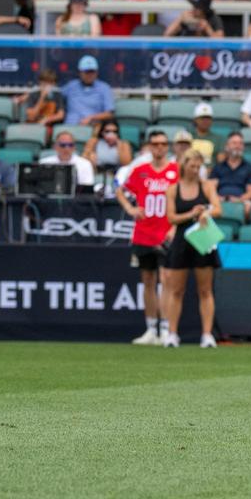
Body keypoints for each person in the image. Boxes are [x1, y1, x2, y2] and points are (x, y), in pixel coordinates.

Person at [115, 131, 178, 346]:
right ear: (150, 147)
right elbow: (120, 190)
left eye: (163, 143)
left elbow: (182, 199)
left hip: (165, 231)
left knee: (167, 281)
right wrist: (130, 208)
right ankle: (151, 327)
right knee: (148, 281)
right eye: (155, 144)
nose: (159, 148)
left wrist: (175, 226)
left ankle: (165, 328)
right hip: (143, 232)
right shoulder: (141, 172)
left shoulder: (174, 171)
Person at [160, 148, 223, 349]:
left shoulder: (206, 186)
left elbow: (218, 208)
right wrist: (191, 214)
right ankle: (172, 334)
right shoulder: (172, 189)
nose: (195, 170)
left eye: (198, 166)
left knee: (205, 290)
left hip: (202, 239)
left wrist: (206, 212)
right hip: (181, 240)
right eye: (192, 166)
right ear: (184, 166)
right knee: (176, 290)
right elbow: (171, 218)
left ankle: (207, 335)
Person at [210, 132, 251, 217]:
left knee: (248, 207)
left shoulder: (250, 168)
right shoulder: (217, 168)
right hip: (219, 199)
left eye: (240, 143)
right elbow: (211, 188)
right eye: (234, 143)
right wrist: (218, 198)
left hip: (242, 201)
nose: (237, 146)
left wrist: (238, 200)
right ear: (227, 146)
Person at [62, 56, 115, 126]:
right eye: (87, 72)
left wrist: (91, 117)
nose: (90, 75)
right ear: (80, 72)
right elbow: (56, 97)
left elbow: (109, 114)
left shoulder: (104, 88)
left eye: (92, 72)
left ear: (97, 72)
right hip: (69, 128)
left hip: (91, 128)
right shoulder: (71, 86)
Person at [17, 68, 66, 134]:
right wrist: (42, 97)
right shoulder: (33, 94)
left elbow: (61, 115)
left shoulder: (58, 95)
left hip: (49, 127)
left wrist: (47, 119)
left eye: (50, 82)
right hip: (32, 125)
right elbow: (31, 116)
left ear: (54, 84)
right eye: (44, 82)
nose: (47, 85)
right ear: (40, 82)